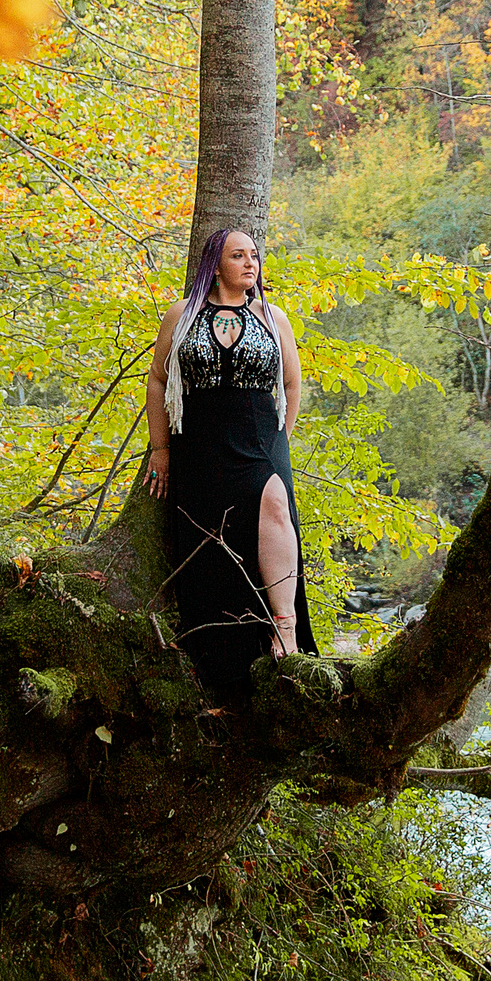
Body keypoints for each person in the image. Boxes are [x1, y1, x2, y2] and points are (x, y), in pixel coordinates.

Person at [144, 227, 314, 680]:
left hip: (261, 434)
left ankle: (285, 626)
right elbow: (159, 379)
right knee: (211, 543)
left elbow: (292, 383)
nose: (250, 263)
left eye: (254, 255)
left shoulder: (272, 317)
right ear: (215, 266)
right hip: (199, 440)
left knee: (276, 509)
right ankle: (220, 653)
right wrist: (160, 448)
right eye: (238, 256)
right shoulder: (182, 314)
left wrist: (282, 437)